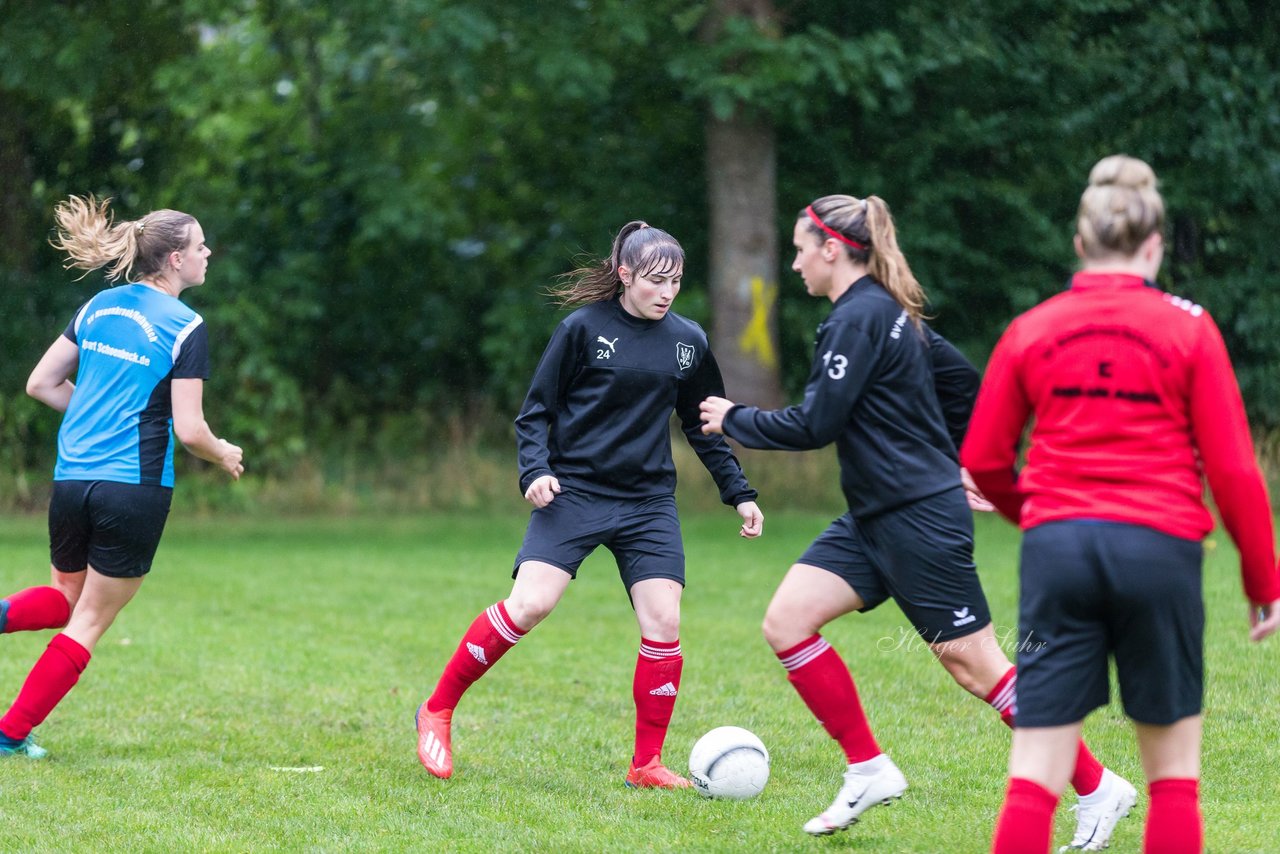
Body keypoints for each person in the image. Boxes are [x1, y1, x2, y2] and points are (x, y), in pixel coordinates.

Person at [700, 194, 1133, 845]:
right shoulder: (884, 312)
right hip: (875, 517)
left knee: (977, 668)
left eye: (797, 251)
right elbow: (963, 382)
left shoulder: (861, 318)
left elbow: (818, 423)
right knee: (787, 622)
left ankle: (1099, 788)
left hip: (917, 520)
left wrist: (734, 418)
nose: (793, 266)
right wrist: (956, 459)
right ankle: (868, 768)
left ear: (830, 250)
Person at [961, 156, 1280, 854]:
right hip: (1159, 552)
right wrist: (1264, 585)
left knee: (1035, 776)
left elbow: (984, 460)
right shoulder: (1191, 328)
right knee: (1172, 779)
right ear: (1155, 246)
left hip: (1058, 553)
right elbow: (1233, 471)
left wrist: (1039, 515)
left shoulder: (1032, 328)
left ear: (1080, 245)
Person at [415, 221, 764, 787]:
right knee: (529, 606)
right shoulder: (581, 328)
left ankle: (646, 764)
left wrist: (739, 493)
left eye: (675, 280)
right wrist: (536, 471)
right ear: (624, 274)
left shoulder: (688, 341)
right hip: (575, 493)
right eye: (654, 280)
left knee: (664, 621)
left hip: (648, 503)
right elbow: (535, 412)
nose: (666, 292)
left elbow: (703, 426)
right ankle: (438, 708)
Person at [0, 195, 243, 759]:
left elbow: (41, 384)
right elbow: (190, 430)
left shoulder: (98, 307)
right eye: (200, 244)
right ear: (175, 260)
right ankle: (10, 734)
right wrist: (225, 452)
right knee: (88, 619)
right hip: (130, 489)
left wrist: (95, 413)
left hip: (70, 480)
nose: (208, 252)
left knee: (65, 598)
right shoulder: (186, 326)